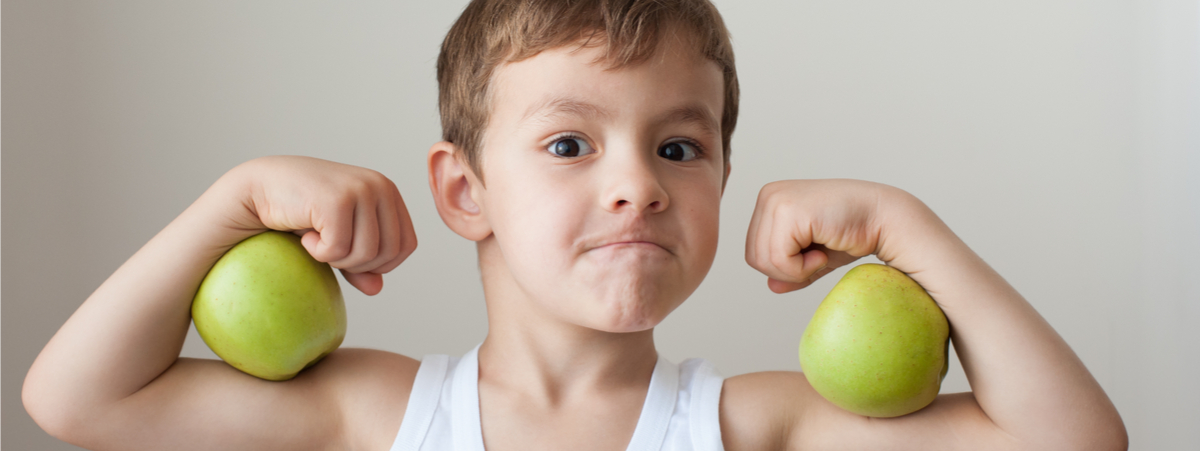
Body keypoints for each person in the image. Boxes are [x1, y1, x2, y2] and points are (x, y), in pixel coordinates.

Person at [22, 0, 1127, 449]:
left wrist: (907, 226)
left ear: (723, 183)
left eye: (679, 148)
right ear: (464, 193)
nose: (638, 185)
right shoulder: (380, 410)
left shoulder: (749, 425)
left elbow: (1072, 439)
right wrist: (235, 198)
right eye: (568, 144)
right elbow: (75, 397)